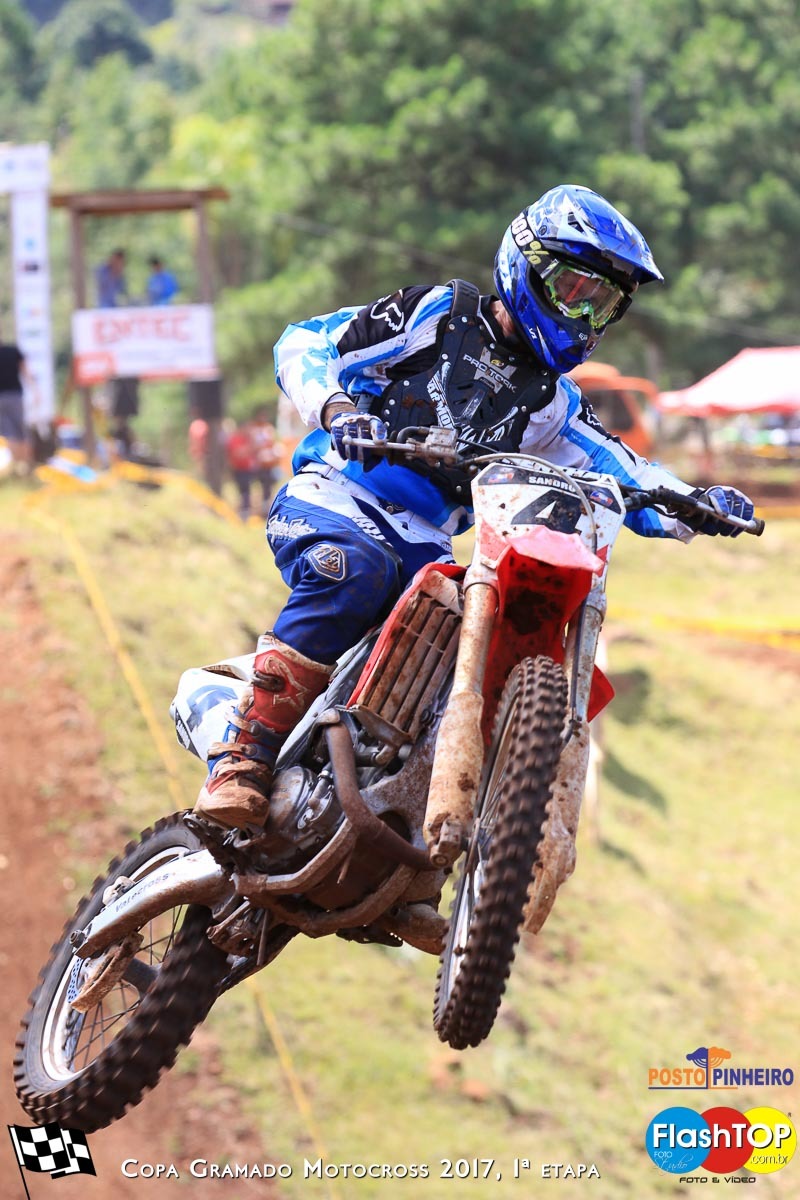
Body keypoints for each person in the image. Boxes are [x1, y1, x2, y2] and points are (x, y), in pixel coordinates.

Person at [194, 183, 754, 829]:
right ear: (528, 263)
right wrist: (338, 408)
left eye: (600, 304)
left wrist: (697, 502)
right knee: (356, 571)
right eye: (573, 290)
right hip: (335, 496)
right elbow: (306, 340)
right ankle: (242, 758)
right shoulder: (436, 315)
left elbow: (626, 470)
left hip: (427, 544)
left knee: (460, 646)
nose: (583, 315)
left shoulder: (553, 403)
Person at [0, 328, 33, 472]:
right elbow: (26, 372)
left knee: (8, 434)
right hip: (15, 396)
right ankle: (24, 465)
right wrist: (35, 390)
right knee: (20, 431)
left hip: (2, 398)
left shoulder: (14, 351)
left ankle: (15, 466)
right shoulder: (13, 351)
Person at [249, 407, 283, 517]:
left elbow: (273, 443)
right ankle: (258, 510)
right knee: (257, 487)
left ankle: (267, 509)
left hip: (269, 464)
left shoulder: (269, 429)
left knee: (268, 488)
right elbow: (253, 446)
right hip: (259, 464)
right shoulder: (254, 430)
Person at [225, 418, 257, 520]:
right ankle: (243, 512)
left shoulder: (248, 439)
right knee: (242, 491)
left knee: (247, 491)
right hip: (239, 469)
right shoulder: (235, 439)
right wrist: (248, 449)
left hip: (248, 469)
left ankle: (246, 511)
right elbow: (237, 454)